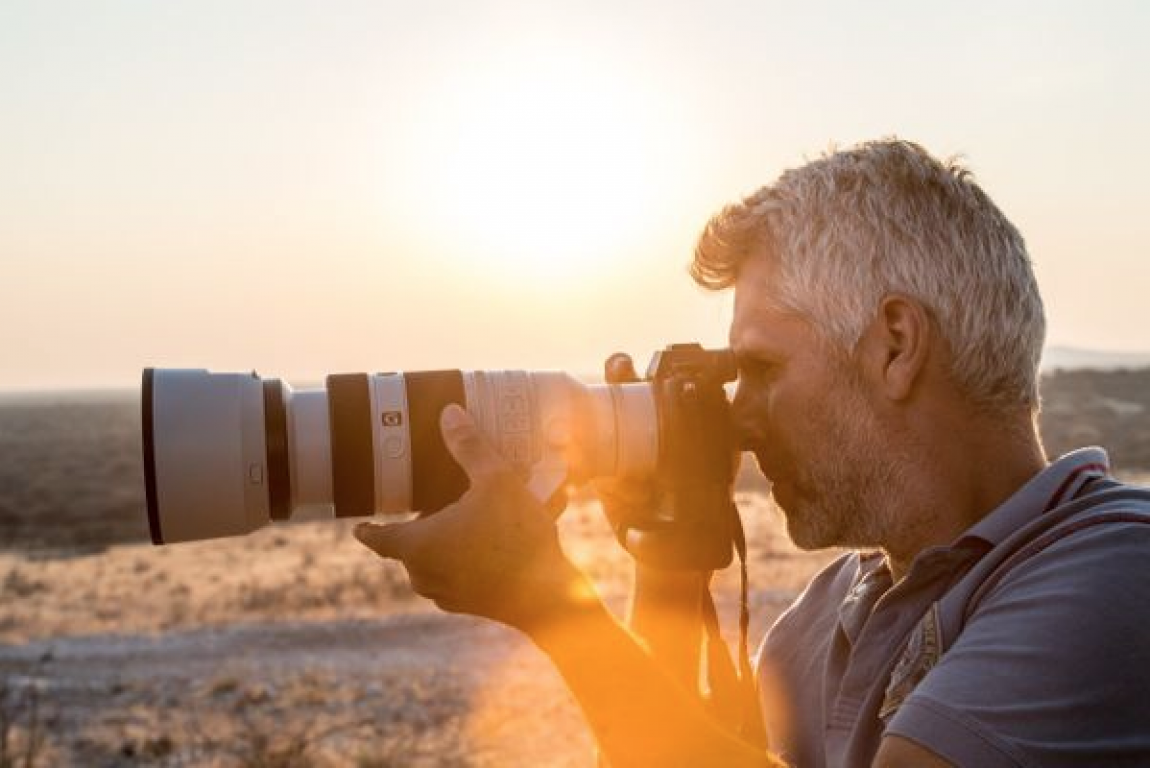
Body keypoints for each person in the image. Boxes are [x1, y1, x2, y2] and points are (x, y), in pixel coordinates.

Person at [354, 139, 1150, 767]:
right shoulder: (816, 624)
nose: (739, 418)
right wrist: (667, 562)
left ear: (895, 346)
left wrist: (553, 609)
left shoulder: (1116, 571)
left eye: (761, 369)